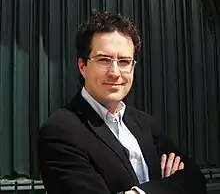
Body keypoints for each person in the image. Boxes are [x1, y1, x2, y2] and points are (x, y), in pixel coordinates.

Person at [38, 11, 206, 194]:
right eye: (104, 60)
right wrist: (168, 186)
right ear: (82, 66)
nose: (115, 72)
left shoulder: (146, 124)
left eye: (125, 61)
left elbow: (195, 181)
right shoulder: (60, 131)